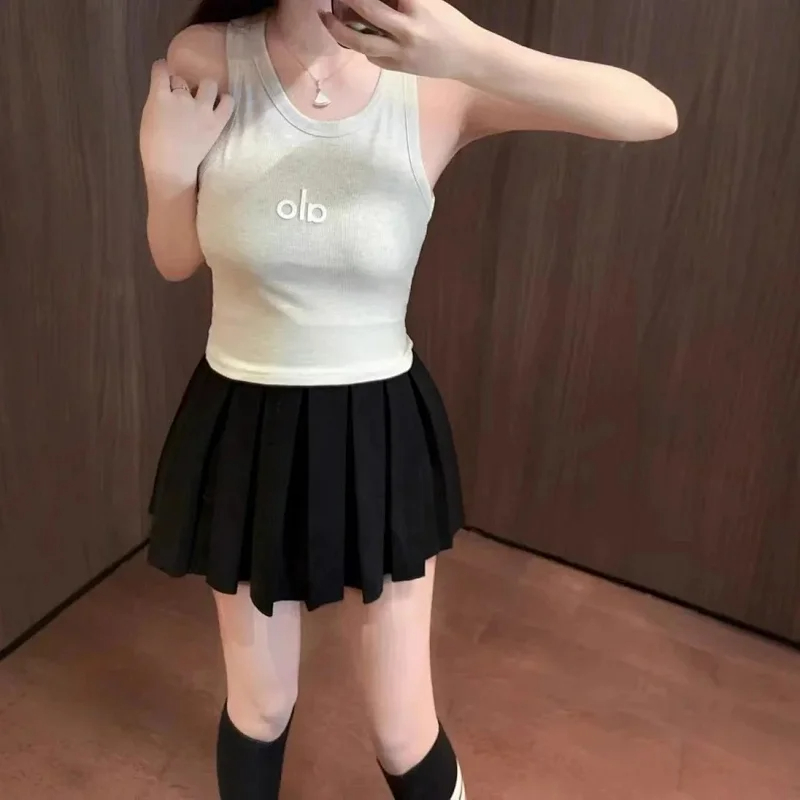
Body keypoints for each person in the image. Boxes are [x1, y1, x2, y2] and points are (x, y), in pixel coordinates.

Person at [139, 0, 677, 797]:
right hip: (248, 423)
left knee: (401, 726)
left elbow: (651, 113)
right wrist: (166, 177)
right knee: (260, 704)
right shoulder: (207, 57)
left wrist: (471, 50)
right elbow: (176, 258)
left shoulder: (440, 78)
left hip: (376, 431)